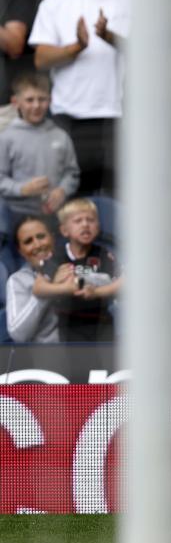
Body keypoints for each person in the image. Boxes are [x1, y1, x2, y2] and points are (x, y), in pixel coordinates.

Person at [28, 0, 129, 196]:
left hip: (122, 116)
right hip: (70, 116)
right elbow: (41, 59)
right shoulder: (58, 1)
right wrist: (77, 47)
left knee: (121, 201)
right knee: (72, 202)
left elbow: (152, 56)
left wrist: (110, 37)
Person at [32, 197, 120, 342]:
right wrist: (65, 288)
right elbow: (38, 287)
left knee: (106, 364)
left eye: (90, 220)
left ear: (98, 226)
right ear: (64, 230)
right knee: (77, 363)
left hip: (102, 323)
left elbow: (122, 283)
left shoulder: (104, 254)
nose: (85, 224)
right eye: (78, 221)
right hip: (69, 324)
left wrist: (96, 292)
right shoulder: (56, 256)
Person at [0, 72, 79, 220]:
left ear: (50, 101)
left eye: (42, 99)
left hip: (55, 213)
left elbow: (72, 173)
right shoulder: (6, 138)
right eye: (29, 100)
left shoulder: (60, 136)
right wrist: (22, 189)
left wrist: (62, 191)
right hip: (14, 214)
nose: (36, 105)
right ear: (15, 102)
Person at [5, 215, 59, 343]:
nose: (37, 245)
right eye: (28, 241)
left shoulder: (72, 266)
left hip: (85, 353)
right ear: (21, 251)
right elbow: (18, 334)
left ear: (52, 238)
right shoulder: (18, 281)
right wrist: (42, 294)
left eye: (41, 236)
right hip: (44, 359)